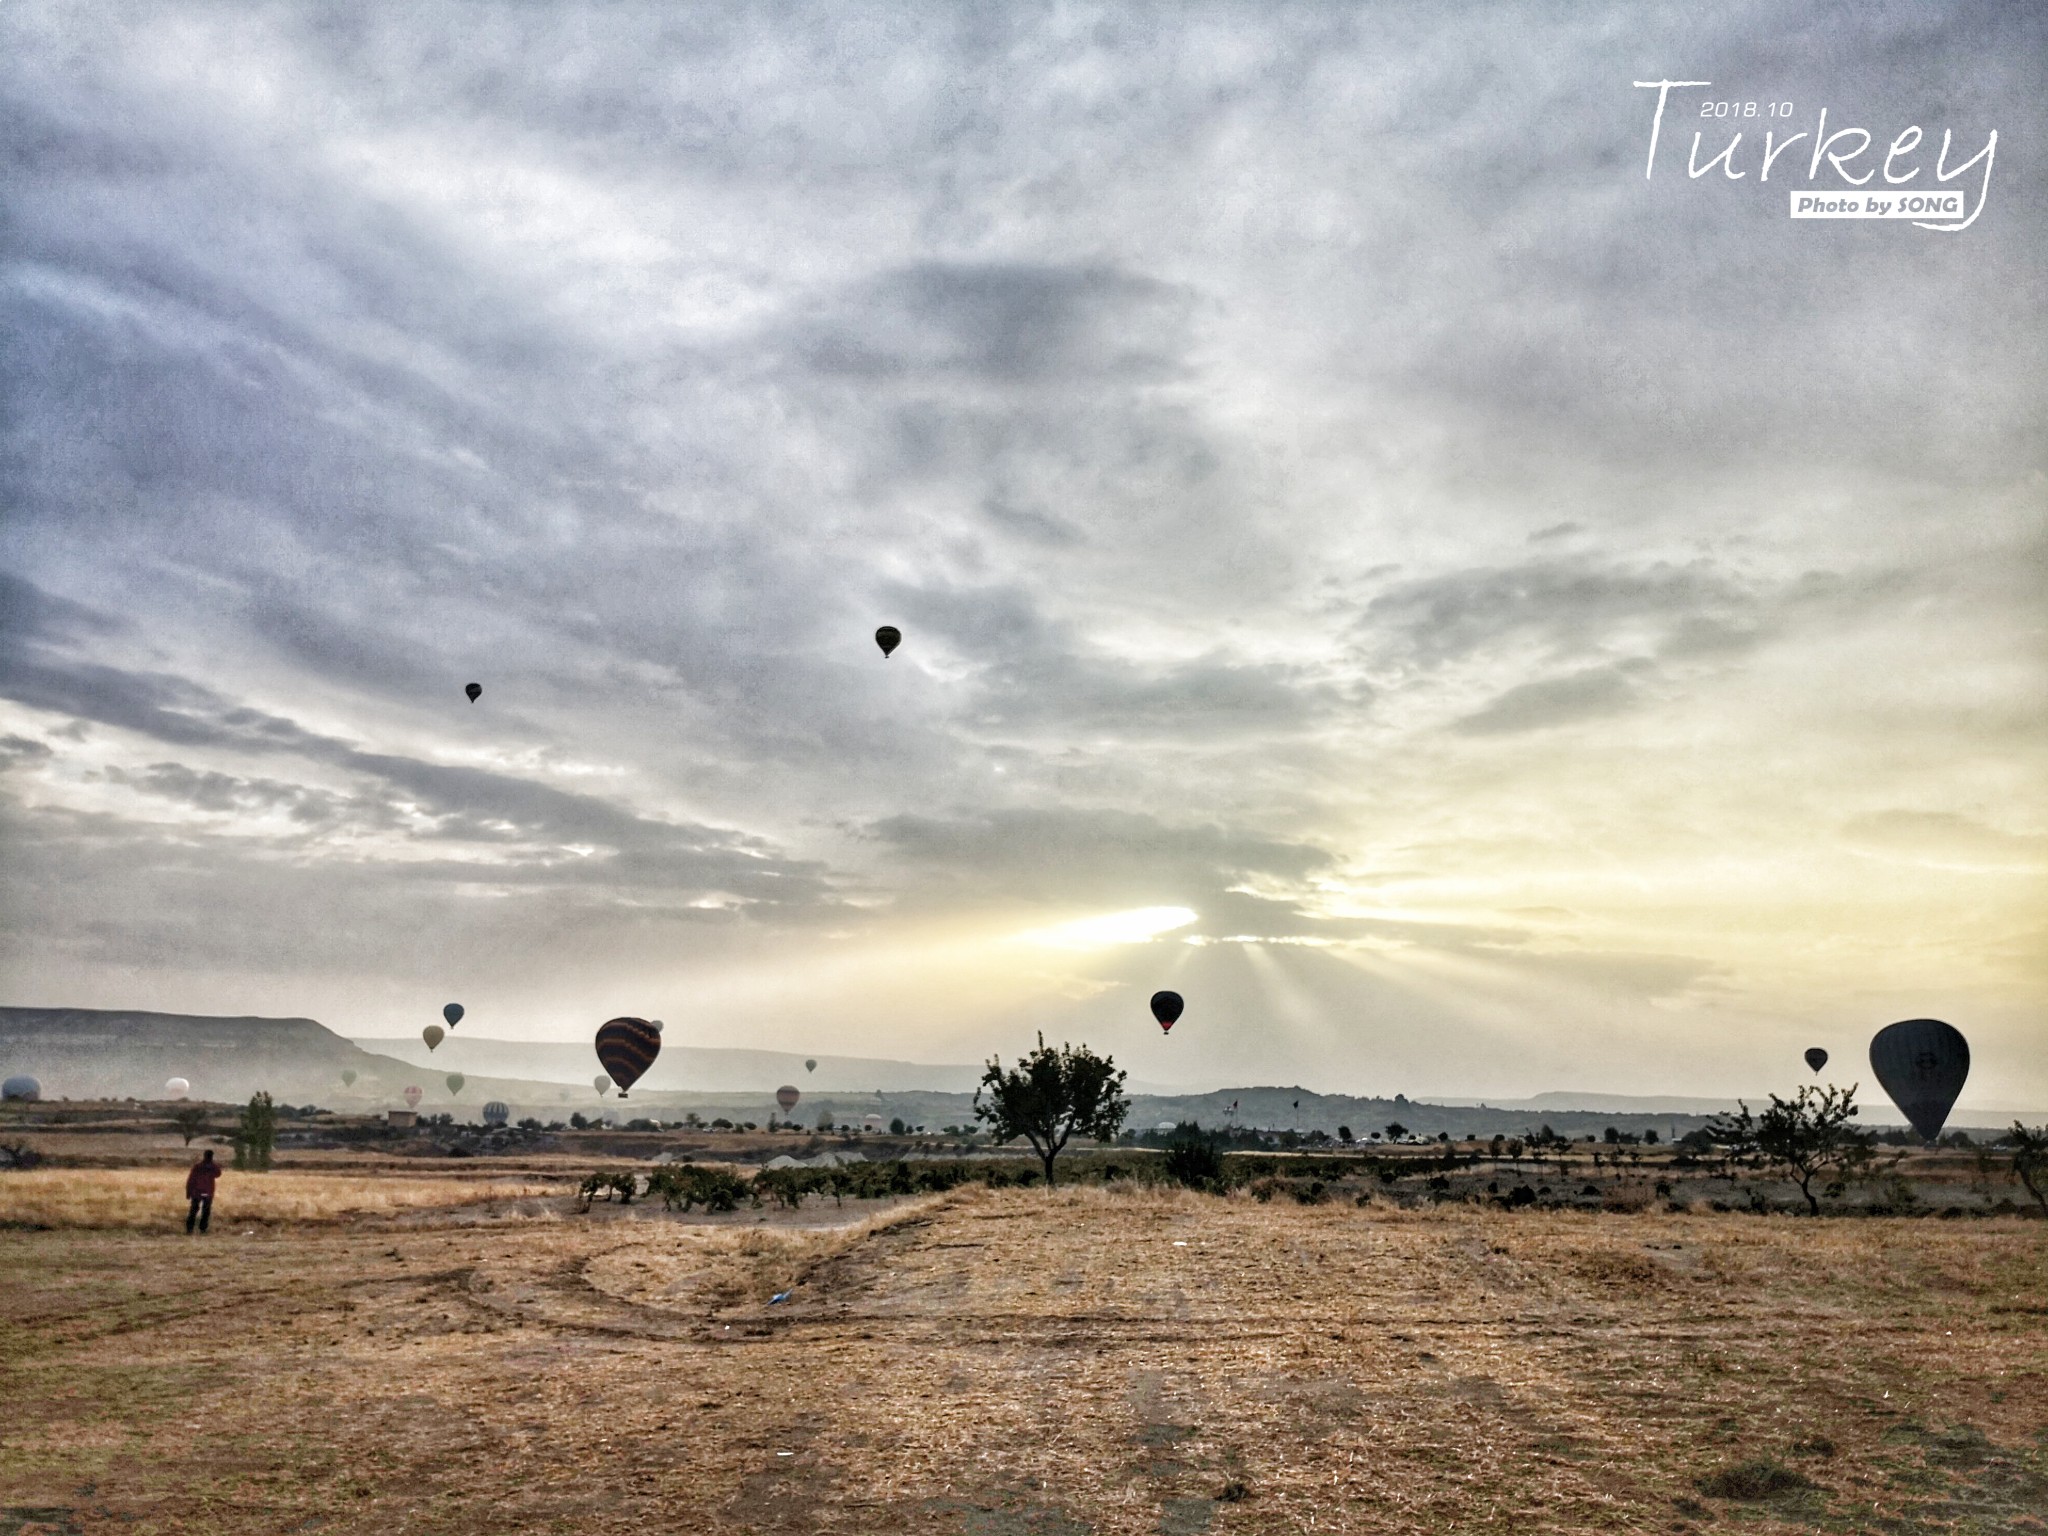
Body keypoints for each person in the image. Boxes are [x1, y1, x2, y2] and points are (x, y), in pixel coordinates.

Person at [185, 1149, 221, 1234]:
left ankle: (189, 1229)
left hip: (197, 1192)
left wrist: (188, 1192)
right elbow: (218, 1174)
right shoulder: (212, 1167)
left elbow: (191, 1180)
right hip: (208, 1192)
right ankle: (203, 1229)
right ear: (212, 1157)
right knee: (206, 1211)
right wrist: (213, 1164)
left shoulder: (197, 1166)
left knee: (194, 1210)